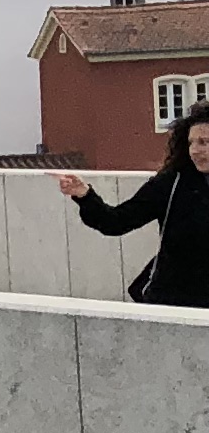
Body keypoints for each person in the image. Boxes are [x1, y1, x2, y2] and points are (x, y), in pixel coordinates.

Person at [61, 107, 209, 306]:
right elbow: (116, 222)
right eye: (191, 142)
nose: (195, 150)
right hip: (172, 303)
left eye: (204, 142)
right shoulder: (171, 184)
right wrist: (85, 196)